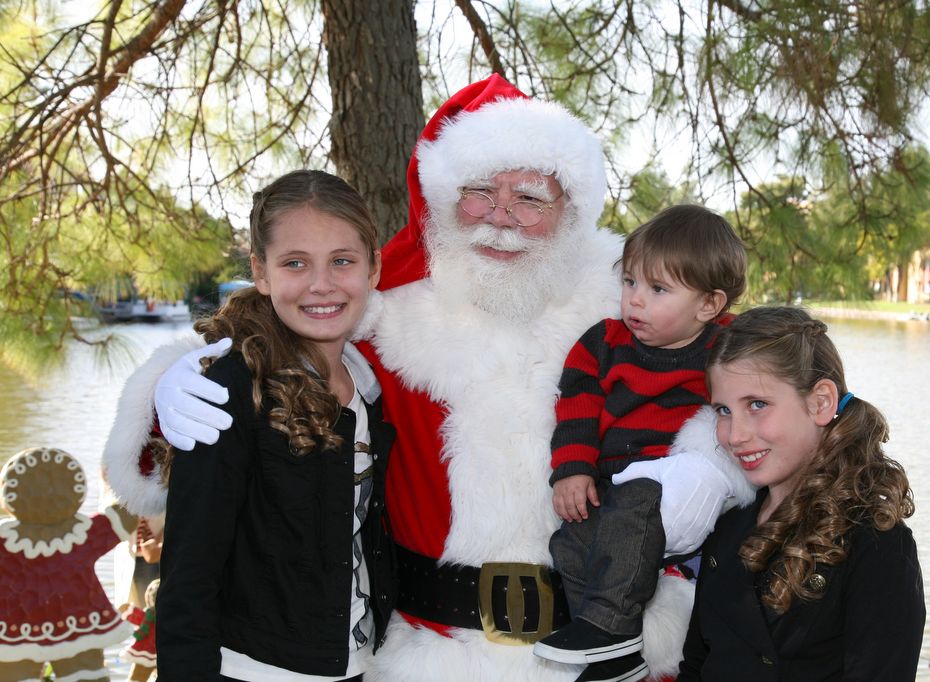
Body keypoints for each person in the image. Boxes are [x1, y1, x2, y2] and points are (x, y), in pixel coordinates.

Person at [106, 75, 738, 681]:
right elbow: (281, 333)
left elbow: (762, 388)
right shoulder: (389, 316)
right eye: (480, 192)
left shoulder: (631, 305)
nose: (502, 217)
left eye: (530, 198)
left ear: (571, 208)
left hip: (603, 652)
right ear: (441, 200)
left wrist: (706, 467)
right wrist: (176, 379)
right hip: (427, 650)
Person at [155, 169, 394, 680]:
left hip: (361, 664)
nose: (322, 284)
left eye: (342, 261)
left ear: (374, 266)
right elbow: (188, 576)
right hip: (255, 669)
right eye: (295, 263)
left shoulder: (371, 386)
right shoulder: (231, 390)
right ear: (261, 273)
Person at [534, 205, 756, 682]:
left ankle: (609, 627)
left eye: (658, 290)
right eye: (630, 282)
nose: (635, 300)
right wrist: (572, 470)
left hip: (677, 482)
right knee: (570, 541)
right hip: (614, 482)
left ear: (708, 305)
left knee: (637, 502)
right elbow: (575, 407)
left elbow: (770, 391)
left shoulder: (729, 347)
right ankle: (607, 648)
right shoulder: (603, 343)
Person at [678, 306, 925, 681]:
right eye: (723, 410)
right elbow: (696, 665)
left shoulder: (875, 545)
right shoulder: (726, 524)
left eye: (757, 405)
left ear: (820, 402)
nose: (734, 434)